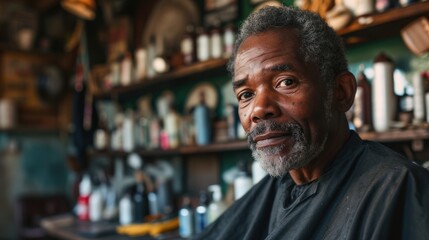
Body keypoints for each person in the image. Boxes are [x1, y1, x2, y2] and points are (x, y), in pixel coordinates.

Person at [195, 5, 429, 240]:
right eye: (246, 95)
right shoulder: (275, 189)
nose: (259, 110)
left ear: (341, 92)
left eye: (285, 82)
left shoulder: (396, 188)